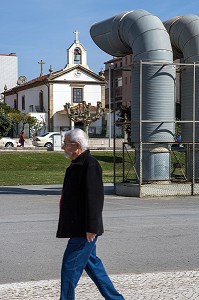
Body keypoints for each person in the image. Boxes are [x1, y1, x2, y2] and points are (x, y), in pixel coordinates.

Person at [56, 128, 124, 300]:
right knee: (94, 267)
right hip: (79, 227)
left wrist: (91, 227)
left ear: (76, 145)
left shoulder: (90, 165)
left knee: (69, 269)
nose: (63, 148)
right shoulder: (76, 164)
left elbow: (95, 199)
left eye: (65, 144)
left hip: (84, 229)